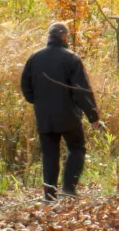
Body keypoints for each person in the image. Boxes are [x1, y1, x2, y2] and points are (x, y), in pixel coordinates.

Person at [19, 20, 100, 199]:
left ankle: (49, 194)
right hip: (68, 115)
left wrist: (36, 101)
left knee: (49, 154)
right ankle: (69, 189)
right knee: (77, 148)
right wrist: (92, 115)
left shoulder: (34, 58)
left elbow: (25, 85)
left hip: (44, 115)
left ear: (49, 37)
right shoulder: (71, 58)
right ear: (64, 37)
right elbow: (82, 91)